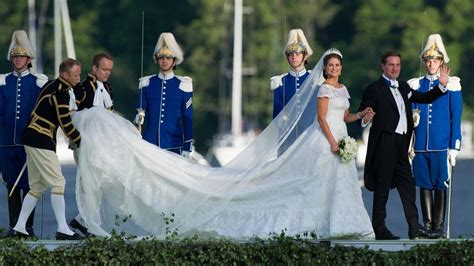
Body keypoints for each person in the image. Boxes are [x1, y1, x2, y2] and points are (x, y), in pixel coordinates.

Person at [69, 48, 375, 239]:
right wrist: (334, 142)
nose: (333, 69)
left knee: (329, 185)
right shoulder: (316, 86)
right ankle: (82, 220)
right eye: (331, 65)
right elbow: (318, 118)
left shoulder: (342, 88)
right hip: (325, 142)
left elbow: (343, 114)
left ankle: (340, 223)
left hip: (335, 140)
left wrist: (360, 114)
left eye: (337, 66)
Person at [358, 51, 449, 240]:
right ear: (382, 66)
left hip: (402, 147)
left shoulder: (404, 86)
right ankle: (379, 229)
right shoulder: (374, 89)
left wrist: (441, 85)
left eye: (397, 65)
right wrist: (366, 118)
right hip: (385, 144)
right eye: (391, 65)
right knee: (382, 189)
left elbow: (424, 98)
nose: (394, 68)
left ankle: (414, 227)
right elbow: (363, 113)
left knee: (407, 188)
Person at [11, 58, 84, 240]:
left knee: (37, 185)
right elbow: (65, 123)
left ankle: (19, 227)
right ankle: (63, 229)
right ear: (65, 75)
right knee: (58, 183)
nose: (78, 78)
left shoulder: (51, 84)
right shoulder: (61, 93)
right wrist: (81, 140)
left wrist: (78, 86)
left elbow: (79, 98)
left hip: (33, 137)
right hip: (41, 139)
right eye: (75, 75)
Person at [407, 34, 462, 239]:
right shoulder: (415, 85)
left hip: (441, 144)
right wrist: (409, 145)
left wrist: (454, 145)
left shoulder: (452, 85)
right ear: (424, 62)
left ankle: (438, 226)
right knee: (423, 183)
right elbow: (410, 117)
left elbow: (455, 117)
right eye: (428, 60)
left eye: (435, 60)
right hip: (420, 145)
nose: (431, 64)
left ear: (441, 62)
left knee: (440, 183)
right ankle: (427, 225)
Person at [0, 30, 47, 238]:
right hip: (6, 142)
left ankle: (27, 227)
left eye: (22, 56)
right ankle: (13, 226)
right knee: (11, 184)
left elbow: (44, 112)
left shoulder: (38, 82)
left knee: (30, 185)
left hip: (28, 143)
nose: (18, 59)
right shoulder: (2, 81)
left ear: (29, 59)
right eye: (15, 56)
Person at [68, 52, 114, 237]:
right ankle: (88, 224)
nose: (107, 73)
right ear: (94, 68)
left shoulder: (107, 89)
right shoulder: (82, 88)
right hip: (85, 143)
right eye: (104, 69)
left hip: (102, 145)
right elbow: (72, 114)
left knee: (101, 183)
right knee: (90, 184)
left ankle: (82, 220)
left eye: (110, 70)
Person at [134, 32, 193, 157]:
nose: (164, 61)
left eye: (168, 58)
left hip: (174, 146)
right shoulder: (146, 83)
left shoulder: (183, 85)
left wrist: (187, 146)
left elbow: (188, 119)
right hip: (149, 145)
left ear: (174, 61)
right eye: (161, 58)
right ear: (157, 60)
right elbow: (140, 114)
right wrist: (139, 117)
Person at [271, 28, 313, 118]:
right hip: (287, 130)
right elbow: (277, 113)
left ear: (305, 57)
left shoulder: (313, 78)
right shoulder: (280, 81)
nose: (294, 57)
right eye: (291, 54)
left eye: (298, 54)